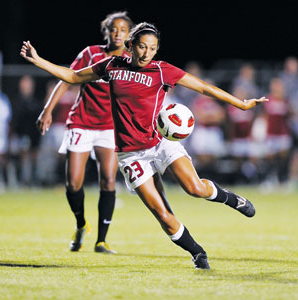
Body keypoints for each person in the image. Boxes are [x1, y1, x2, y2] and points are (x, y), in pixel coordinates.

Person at [20, 22, 268, 269]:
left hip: (160, 144)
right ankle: (198, 253)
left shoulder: (162, 70)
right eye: (142, 46)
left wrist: (241, 104)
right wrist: (38, 60)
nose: (146, 53)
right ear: (131, 45)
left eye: (152, 48)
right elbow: (73, 76)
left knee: (195, 189)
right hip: (130, 155)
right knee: (163, 217)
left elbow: (203, 87)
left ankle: (232, 200)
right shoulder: (111, 66)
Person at [35, 11, 134, 253]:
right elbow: (66, 79)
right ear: (106, 31)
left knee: (109, 180)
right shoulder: (90, 54)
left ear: (129, 34)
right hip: (81, 122)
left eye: (123, 29)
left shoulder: (131, 60)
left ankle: (101, 240)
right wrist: (48, 110)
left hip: (110, 127)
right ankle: (81, 225)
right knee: (73, 184)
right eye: (114, 29)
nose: (118, 33)